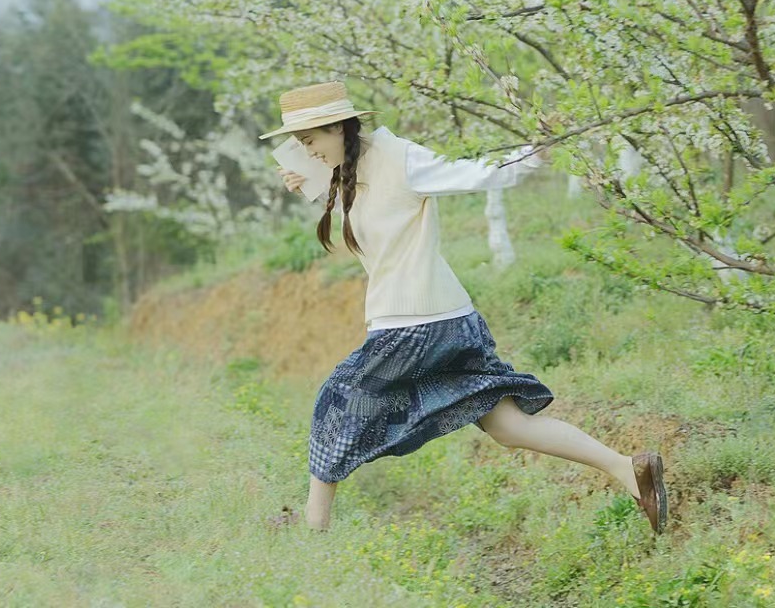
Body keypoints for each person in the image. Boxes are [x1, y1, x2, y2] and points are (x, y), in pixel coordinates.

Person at [260, 81, 667, 535]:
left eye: (308, 141)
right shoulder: (353, 171)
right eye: (299, 145)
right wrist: (315, 184)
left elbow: (474, 174)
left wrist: (537, 152)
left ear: (336, 126)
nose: (305, 151)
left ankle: (312, 531)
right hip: (448, 320)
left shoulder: (399, 157)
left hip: (414, 324)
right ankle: (630, 470)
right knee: (507, 425)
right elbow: (380, 222)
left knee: (336, 402)